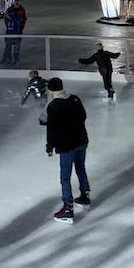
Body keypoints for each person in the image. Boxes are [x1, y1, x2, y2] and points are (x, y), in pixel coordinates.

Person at [45, 78, 91, 223]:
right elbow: (83, 116)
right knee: (80, 168)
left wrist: (50, 146)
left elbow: (51, 129)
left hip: (66, 146)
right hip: (81, 140)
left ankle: (68, 208)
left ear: (51, 90)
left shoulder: (53, 106)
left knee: (65, 177)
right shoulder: (75, 99)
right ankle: (85, 195)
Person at [1, 0, 27, 65]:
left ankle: (16, 60)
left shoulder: (22, 10)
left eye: (18, 2)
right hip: (9, 32)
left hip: (18, 32)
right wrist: (9, 26)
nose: (17, 3)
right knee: (8, 47)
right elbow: (6, 19)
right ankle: (7, 59)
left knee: (17, 47)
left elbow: (24, 19)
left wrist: (21, 27)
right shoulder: (9, 10)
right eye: (16, 2)